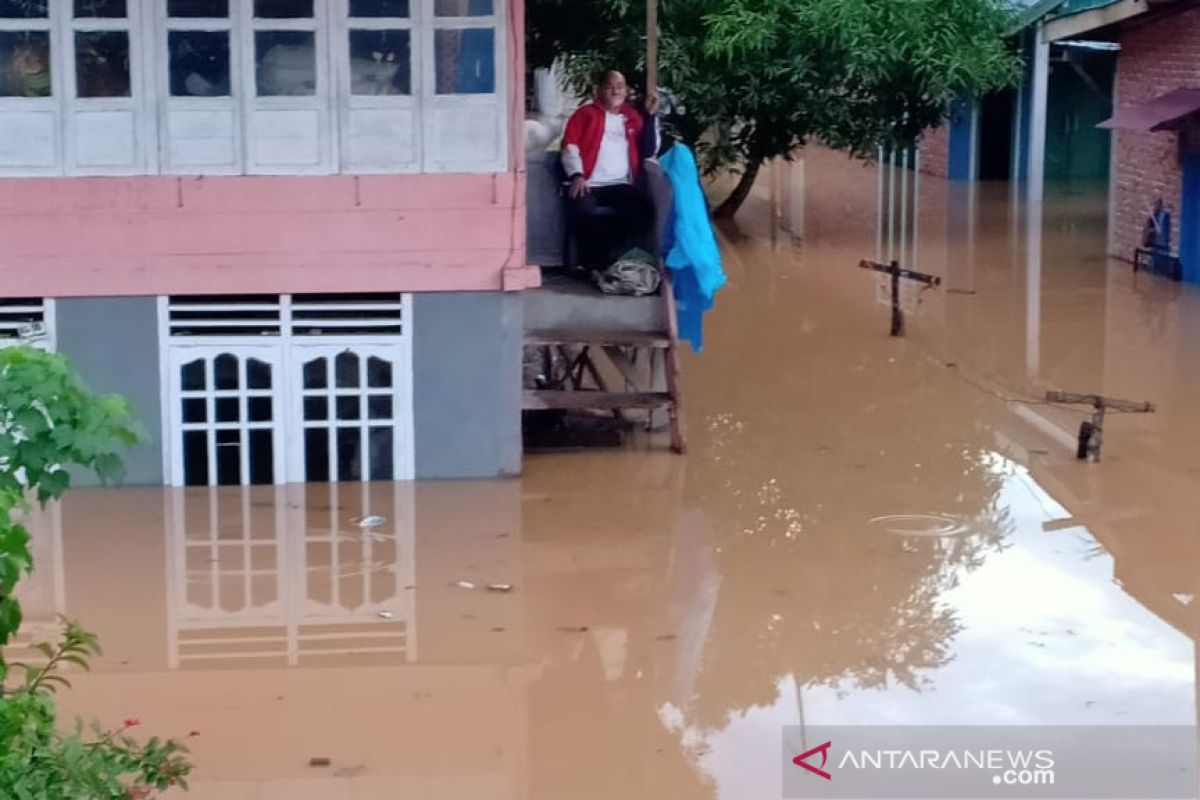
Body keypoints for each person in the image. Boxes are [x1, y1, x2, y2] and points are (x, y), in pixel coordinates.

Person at [560, 70, 660, 267]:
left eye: (620, 87)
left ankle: (616, 257)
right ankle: (591, 263)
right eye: (609, 86)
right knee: (582, 211)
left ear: (626, 91)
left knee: (642, 211)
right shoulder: (585, 114)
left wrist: (649, 117)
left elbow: (649, 149)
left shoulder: (632, 117)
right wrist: (577, 175)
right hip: (589, 182)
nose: (615, 91)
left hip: (620, 184)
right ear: (599, 90)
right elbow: (569, 145)